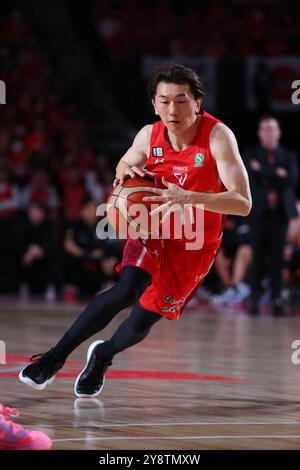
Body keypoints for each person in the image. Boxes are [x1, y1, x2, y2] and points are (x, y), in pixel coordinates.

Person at [19, 63, 251, 398]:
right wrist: (124, 171)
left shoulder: (217, 136)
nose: (173, 109)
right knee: (127, 288)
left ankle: (104, 355)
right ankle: (54, 358)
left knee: (142, 320)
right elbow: (124, 163)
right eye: (165, 101)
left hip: (195, 241)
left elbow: (243, 203)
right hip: (154, 227)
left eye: (182, 100)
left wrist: (188, 197)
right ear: (154, 105)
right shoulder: (148, 134)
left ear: (198, 102)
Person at [244, 115, 298, 315]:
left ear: (279, 132)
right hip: (259, 214)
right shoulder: (250, 154)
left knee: (278, 259)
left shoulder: (288, 156)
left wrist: (265, 173)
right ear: (259, 133)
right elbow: (252, 177)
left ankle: (277, 300)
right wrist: (277, 174)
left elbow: (290, 179)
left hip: (280, 215)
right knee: (257, 258)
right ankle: (255, 300)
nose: (269, 132)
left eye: (272, 128)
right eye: (265, 129)